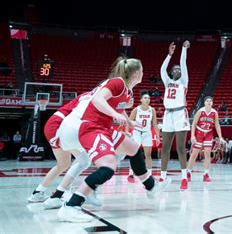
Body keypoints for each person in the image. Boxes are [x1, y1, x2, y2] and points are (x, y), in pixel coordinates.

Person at [57, 57, 169, 222]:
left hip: (105, 128)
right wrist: (115, 114)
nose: (144, 73)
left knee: (133, 148)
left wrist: (129, 121)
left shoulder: (127, 91)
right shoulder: (117, 82)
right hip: (92, 127)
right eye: (143, 71)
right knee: (109, 167)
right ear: (137, 73)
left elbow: (116, 106)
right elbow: (97, 99)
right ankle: (72, 205)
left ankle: (151, 187)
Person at [27, 94, 101, 209]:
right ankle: (64, 193)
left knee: (63, 164)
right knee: (85, 160)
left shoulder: (89, 95)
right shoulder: (97, 98)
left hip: (55, 124)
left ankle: (38, 193)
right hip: (59, 126)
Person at [160, 41, 191, 190]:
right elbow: (162, 69)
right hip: (168, 115)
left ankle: (184, 178)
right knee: (165, 148)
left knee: (180, 147)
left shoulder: (184, 81)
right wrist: (169, 54)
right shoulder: (167, 81)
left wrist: (183, 49)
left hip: (180, 114)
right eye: (176, 69)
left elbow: (183, 62)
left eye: (179, 69)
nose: (178, 69)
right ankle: (162, 176)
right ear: (172, 72)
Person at [187, 96, 225, 182]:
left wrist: (220, 137)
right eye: (207, 101)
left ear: (212, 103)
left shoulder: (214, 112)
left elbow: (217, 125)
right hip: (199, 133)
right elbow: (193, 124)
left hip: (209, 133)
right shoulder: (200, 111)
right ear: (204, 103)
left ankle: (206, 174)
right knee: (194, 154)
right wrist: (192, 136)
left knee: (208, 154)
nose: (209, 102)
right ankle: (188, 172)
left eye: (210, 101)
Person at [127, 92, 161, 182]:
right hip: (137, 132)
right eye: (145, 98)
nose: (147, 100)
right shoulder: (136, 110)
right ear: (141, 100)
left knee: (148, 155)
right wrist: (126, 132)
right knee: (134, 153)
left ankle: (149, 174)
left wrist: (157, 137)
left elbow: (154, 124)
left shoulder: (152, 110)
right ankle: (130, 174)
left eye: (149, 98)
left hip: (147, 133)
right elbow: (129, 121)